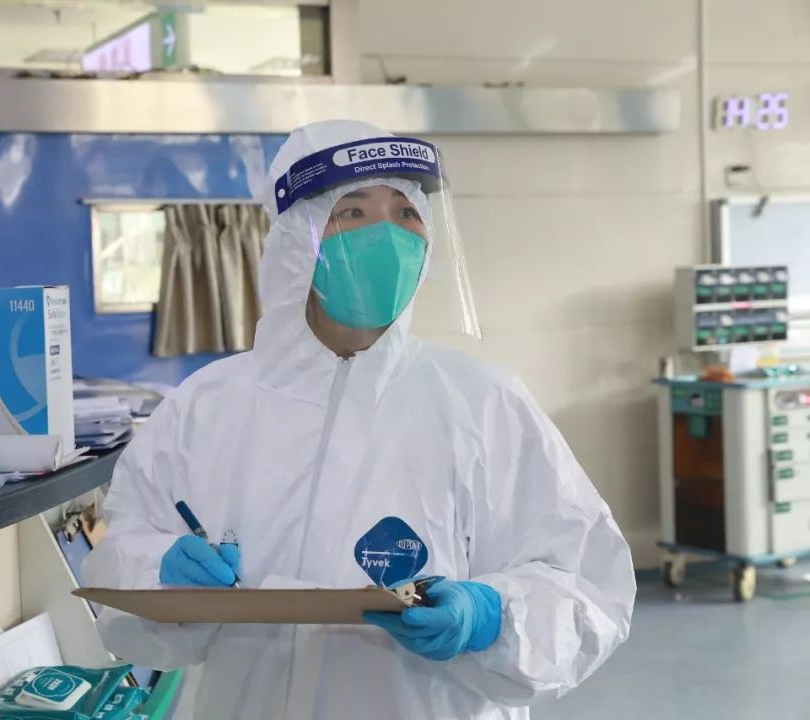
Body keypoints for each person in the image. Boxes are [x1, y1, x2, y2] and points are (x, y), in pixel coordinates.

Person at [83, 120, 636, 719]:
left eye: (406, 213)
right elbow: (122, 563)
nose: (388, 235)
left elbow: (587, 585)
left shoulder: (485, 403)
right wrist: (161, 572)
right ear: (297, 241)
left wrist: (492, 614)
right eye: (353, 213)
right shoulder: (206, 406)